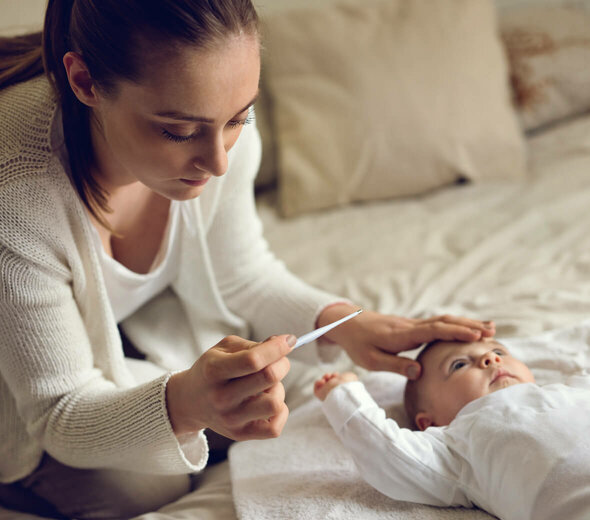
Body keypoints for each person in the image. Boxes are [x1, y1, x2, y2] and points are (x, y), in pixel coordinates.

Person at [0, 1, 496, 518]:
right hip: (14, 391)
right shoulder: (14, 195)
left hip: (130, 334)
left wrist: (345, 325)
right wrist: (186, 404)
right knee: (145, 491)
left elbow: (243, 275)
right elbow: (60, 410)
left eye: (238, 119)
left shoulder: (216, 119)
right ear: (84, 82)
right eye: (178, 131)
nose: (218, 162)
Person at [314, 338, 590, 520]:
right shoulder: (455, 445)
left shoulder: (572, 388)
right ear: (429, 421)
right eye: (459, 365)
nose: (491, 360)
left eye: (498, 351)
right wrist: (344, 394)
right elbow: (386, 451)